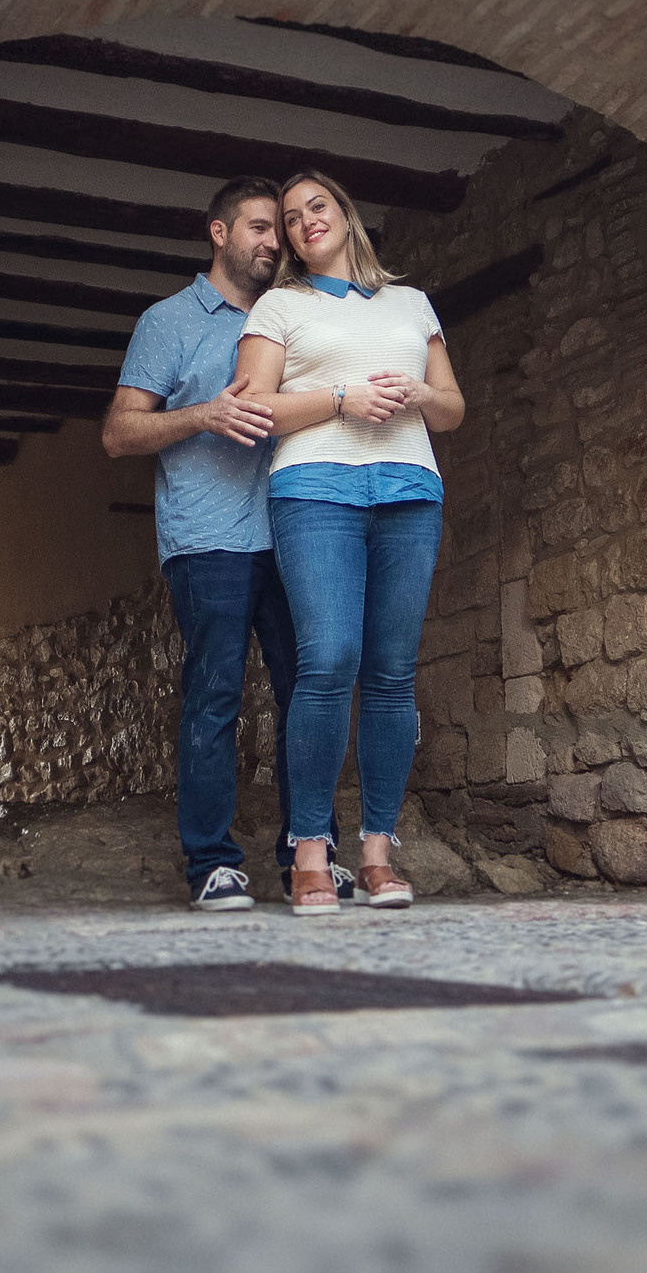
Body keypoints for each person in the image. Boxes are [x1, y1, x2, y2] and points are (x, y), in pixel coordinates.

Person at [104, 176, 355, 913]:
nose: (275, 241)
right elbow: (119, 432)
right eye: (259, 227)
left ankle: (311, 853)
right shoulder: (168, 322)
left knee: (307, 691)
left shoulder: (296, 313)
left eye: (279, 229)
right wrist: (202, 415)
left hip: (297, 531)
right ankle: (212, 863)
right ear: (219, 233)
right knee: (216, 695)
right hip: (208, 536)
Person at [233, 170, 465, 915]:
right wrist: (341, 398)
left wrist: (419, 395)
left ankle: (377, 853)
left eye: (318, 206)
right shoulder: (279, 306)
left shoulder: (410, 302)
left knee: (392, 673)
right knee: (329, 659)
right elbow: (255, 409)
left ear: (345, 213)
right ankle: (310, 850)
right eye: (290, 217)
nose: (305, 221)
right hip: (314, 490)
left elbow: (453, 407)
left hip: (409, 490)